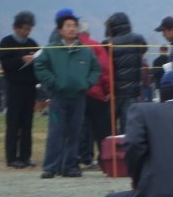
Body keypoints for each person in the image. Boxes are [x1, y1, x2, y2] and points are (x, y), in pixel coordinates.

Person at [34, 11, 100, 179]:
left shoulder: (85, 51)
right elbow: (40, 66)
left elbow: (96, 68)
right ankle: (50, 167)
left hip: (78, 97)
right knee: (56, 132)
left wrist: (87, 83)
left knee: (74, 132)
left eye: (74, 26)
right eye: (68, 26)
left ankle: (69, 166)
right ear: (60, 30)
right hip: (58, 97)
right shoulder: (50, 49)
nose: (72, 29)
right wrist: (52, 82)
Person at [0, 11, 40, 167]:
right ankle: (11, 157)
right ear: (15, 27)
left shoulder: (33, 43)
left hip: (29, 88)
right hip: (14, 88)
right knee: (13, 123)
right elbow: (6, 64)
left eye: (29, 29)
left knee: (28, 123)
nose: (26, 32)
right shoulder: (6, 43)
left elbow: (38, 65)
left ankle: (25, 156)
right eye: (23, 29)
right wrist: (21, 59)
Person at [104, 12, 148, 133]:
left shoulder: (108, 44)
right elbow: (144, 50)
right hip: (132, 91)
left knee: (109, 125)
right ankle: (127, 149)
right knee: (128, 125)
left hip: (114, 91)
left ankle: (112, 149)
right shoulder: (138, 39)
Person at [77, 21, 111, 169]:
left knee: (78, 127)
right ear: (88, 33)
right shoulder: (96, 46)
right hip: (96, 93)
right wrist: (108, 90)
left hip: (75, 93)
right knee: (100, 129)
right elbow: (104, 69)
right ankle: (104, 159)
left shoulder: (69, 46)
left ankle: (81, 157)